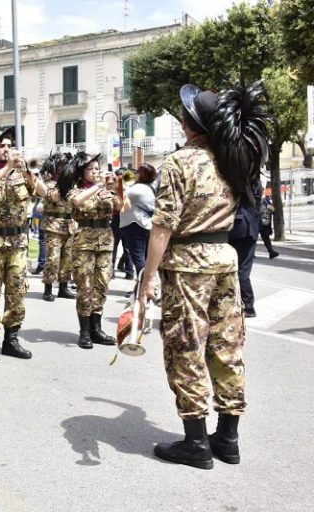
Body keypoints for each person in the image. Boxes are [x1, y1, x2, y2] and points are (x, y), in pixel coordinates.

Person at [138, 82, 271, 469]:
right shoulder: (233, 158)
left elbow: (163, 227)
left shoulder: (181, 162)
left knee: (186, 348)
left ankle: (195, 443)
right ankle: (228, 438)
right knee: (228, 347)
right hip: (225, 258)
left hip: (188, 264)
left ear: (188, 124)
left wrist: (147, 278)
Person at [0, 127, 46, 362]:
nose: (6, 149)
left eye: (9, 145)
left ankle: (11, 340)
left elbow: (43, 192)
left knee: (17, 291)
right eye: (1, 146)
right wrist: (6, 169)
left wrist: (26, 172)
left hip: (17, 242)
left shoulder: (21, 173)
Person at [67, 152, 122, 349]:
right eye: (90, 169)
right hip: (84, 242)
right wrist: (98, 186)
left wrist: (116, 187)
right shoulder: (75, 190)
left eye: (97, 169)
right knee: (85, 286)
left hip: (106, 240)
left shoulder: (106, 190)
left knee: (102, 285)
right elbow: (77, 202)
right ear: (82, 173)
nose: (95, 172)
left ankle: (96, 328)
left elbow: (121, 207)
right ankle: (84, 331)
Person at [40, 152, 77, 301]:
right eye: (63, 165)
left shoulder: (73, 185)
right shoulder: (48, 184)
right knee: (53, 259)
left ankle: (63, 287)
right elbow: (53, 197)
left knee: (67, 259)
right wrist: (63, 182)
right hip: (53, 225)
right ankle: (48, 288)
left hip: (69, 225)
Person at [228, 180, 263, 318]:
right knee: (241, 270)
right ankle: (245, 305)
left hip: (239, 228)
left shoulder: (244, 183)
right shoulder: (254, 183)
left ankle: (247, 305)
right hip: (248, 228)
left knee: (239, 271)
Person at [119, 163, 157, 278]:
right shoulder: (148, 187)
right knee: (143, 257)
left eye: (138, 172)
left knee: (138, 258)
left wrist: (118, 182)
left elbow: (121, 198)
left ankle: (144, 288)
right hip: (143, 224)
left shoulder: (138, 189)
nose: (135, 174)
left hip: (134, 225)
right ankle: (143, 287)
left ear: (142, 175)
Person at [259, 193, 279, 259]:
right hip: (258, 221)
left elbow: (273, 210)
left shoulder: (265, 199)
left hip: (264, 222)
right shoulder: (258, 199)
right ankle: (271, 252)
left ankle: (271, 252)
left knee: (266, 237)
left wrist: (270, 208)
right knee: (253, 238)